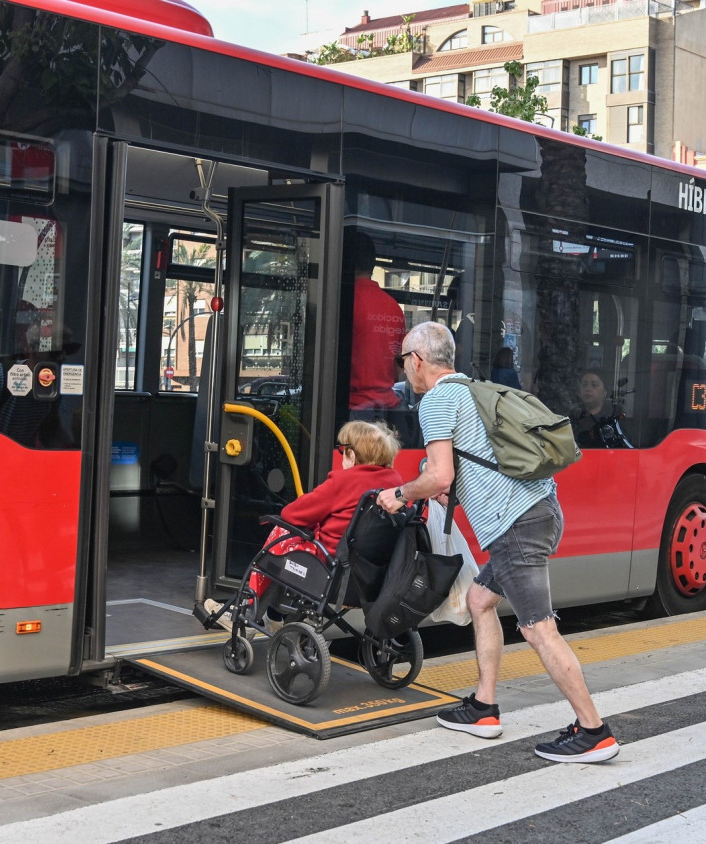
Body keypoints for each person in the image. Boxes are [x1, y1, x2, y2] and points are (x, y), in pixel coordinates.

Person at [377, 322, 619, 764]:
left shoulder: (435, 402)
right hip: (542, 509)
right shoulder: (472, 391)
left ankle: (593, 730)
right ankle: (484, 707)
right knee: (480, 599)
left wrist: (398, 494)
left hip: (515, 527)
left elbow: (438, 475)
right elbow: (472, 466)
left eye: (403, 362)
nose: (404, 370)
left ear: (416, 361)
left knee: (537, 628)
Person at [203, 419, 404, 630]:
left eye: (342, 450)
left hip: (329, 570)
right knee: (292, 546)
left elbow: (292, 514)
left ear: (352, 455)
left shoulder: (345, 482)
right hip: (368, 576)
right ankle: (274, 615)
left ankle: (246, 612)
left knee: (282, 534)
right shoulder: (395, 483)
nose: (341, 454)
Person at [0, 304, 74, 447]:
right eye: (55, 352)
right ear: (32, 350)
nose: (63, 357)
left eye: (68, 350)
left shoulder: (54, 383)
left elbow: (52, 430)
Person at [348, 233, 405, 416]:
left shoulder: (346, 301)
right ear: (372, 264)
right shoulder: (394, 307)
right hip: (388, 409)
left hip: (352, 408)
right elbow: (399, 368)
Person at [569, 369, 632, 449]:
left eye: (594, 385)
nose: (588, 389)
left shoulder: (614, 419)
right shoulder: (572, 418)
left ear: (605, 392)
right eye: (584, 385)